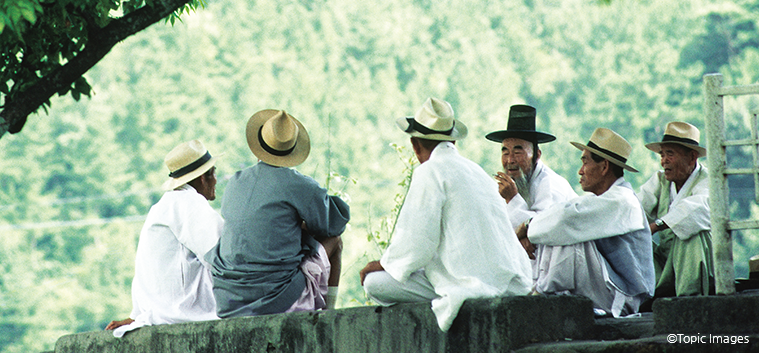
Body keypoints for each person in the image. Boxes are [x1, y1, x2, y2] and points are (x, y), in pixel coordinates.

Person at [359, 97, 532, 332]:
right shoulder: (477, 171)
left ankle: (445, 294)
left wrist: (384, 264)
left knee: (374, 283)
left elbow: (417, 242)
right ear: (453, 140)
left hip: (471, 285)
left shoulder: (429, 171)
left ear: (415, 144)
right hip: (513, 282)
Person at [209, 109, 349, 317]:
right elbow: (334, 224)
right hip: (275, 299)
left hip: (228, 300)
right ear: (293, 150)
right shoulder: (299, 185)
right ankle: (330, 315)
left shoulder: (235, 182)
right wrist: (303, 223)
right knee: (335, 241)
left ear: (259, 147)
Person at [516, 128, 655, 317]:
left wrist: (527, 227)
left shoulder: (623, 200)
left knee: (566, 230)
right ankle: (541, 291)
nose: (580, 171)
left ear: (604, 167)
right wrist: (532, 230)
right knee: (559, 225)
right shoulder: (605, 199)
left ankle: (540, 295)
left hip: (621, 298)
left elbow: (566, 219)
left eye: (585, 162)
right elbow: (564, 214)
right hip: (607, 290)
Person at [106, 140, 224, 336]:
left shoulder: (163, 206)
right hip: (180, 315)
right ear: (204, 177)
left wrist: (138, 314)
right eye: (214, 174)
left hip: (157, 313)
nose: (216, 181)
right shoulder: (189, 203)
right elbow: (223, 258)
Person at [637, 121, 713, 297]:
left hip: (698, 264)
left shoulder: (709, 180)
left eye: (670, 154)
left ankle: (689, 298)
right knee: (630, 241)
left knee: (692, 230)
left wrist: (657, 225)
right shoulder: (660, 180)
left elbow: (698, 207)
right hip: (665, 265)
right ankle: (648, 295)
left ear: (692, 157)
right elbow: (638, 208)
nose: (664, 161)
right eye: (662, 155)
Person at [486, 104, 577, 237]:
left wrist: (512, 199)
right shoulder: (507, 185)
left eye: (517, 152)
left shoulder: (551, 186)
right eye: (505, 152)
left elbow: (543, 230)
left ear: (537, 155)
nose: (510, 160)